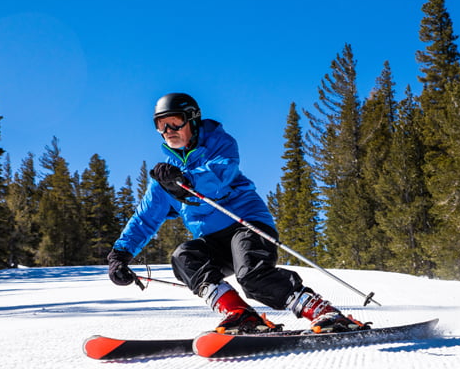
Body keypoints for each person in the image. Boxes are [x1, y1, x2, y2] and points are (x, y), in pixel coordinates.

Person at [107, 93, 369, 334]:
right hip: (213, 241)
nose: (168, 131)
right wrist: (120, 254)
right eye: (161, 125)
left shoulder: (218, 144)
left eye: (174, 123)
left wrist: (185, 179)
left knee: (252, 276)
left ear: (192, 121)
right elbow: (145, 218)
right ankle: (240, 314)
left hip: (246, 224)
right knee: (184, 257)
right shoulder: (165, 178)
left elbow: (219, 176)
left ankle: (325, 313)